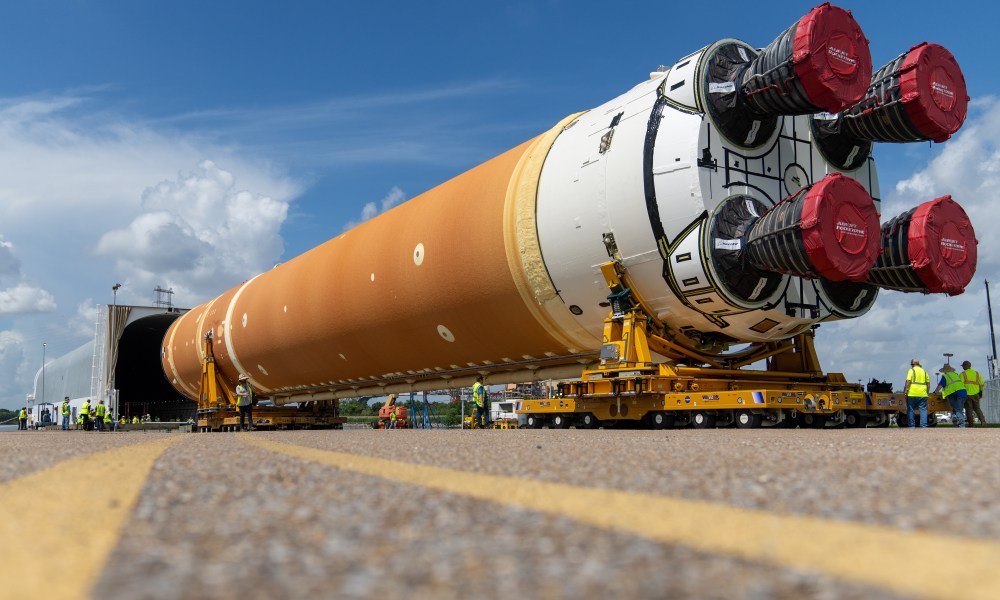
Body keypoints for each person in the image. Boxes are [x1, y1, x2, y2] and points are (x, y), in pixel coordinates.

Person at [933, 363, 967, 428]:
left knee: (958, 409)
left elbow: (940, 386)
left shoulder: (945, 376)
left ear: (944, 370)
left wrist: (935, 392)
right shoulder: (956, 374)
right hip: (963, 392)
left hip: (954, 394)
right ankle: (955, 423)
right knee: (956, 409)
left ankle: (962, 425)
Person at [903, 359, 930, 428]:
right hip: (923, 393)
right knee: (923, 409)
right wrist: (927, 392)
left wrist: (906, 391)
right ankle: (924, 425)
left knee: (910, 409)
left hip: (912, 393)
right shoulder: (924, 371)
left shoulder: (911, 370)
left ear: (912, 364)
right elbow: (928, 384)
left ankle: (912, 425)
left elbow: (908, 381)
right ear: (918, 364)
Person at [961, 360, 987, 427]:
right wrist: (980, 392)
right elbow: (981, 384)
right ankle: (983, 421)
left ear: (966, 366)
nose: (963, 367)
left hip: (967, 395)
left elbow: (960, 385)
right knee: (977, 409)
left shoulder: (962, 374)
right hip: (976, 394)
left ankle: (971, 424)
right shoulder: (977, 373)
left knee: (969, 410)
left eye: (963, 366)